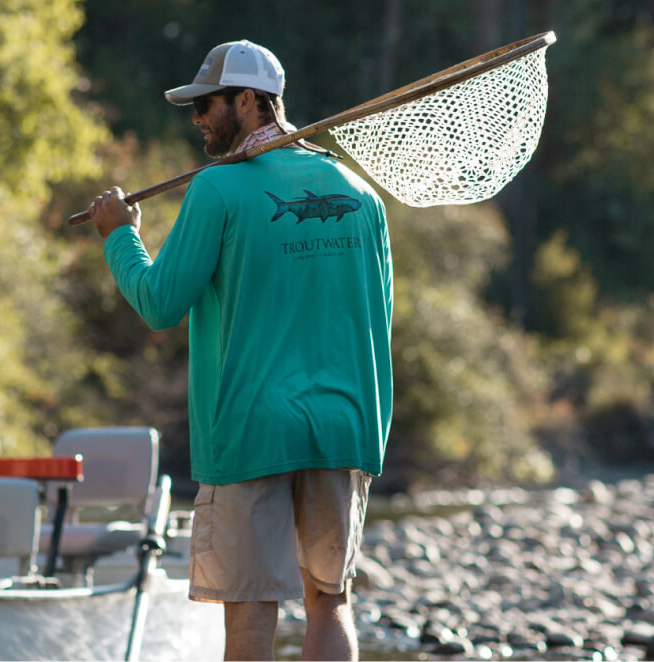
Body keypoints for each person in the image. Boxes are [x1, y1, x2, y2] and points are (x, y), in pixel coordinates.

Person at [85, 40, 391, 662]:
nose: (197, 118)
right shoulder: (361, 193)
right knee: (329, 602)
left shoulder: (216, 190)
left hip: (249, 428)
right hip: (345, 425)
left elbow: (159, 304)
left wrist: (119, 236)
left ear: (248, 102)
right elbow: (380, 319)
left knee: (251, 611)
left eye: (207, 105)